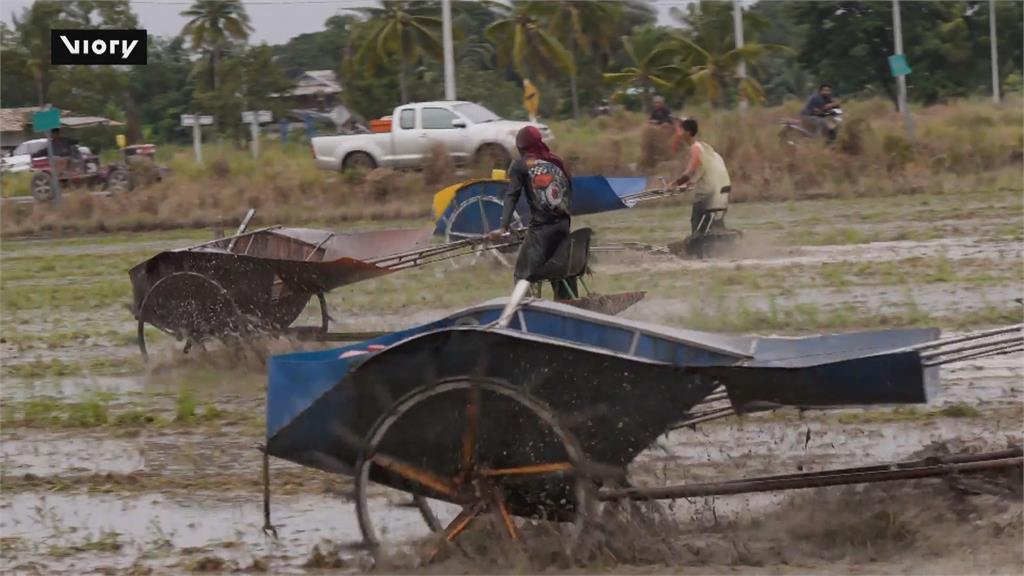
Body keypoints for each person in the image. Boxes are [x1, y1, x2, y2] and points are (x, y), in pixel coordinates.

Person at [488, 126, 573, 325]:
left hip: (541, 233)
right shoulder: (557, 161)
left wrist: (503, 226)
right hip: (564, 229)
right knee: (562, 275)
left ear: (521, 146)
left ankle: (529, 318)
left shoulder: (520, 165)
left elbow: (512, 195)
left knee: (522, 275)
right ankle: (569, 312)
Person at [672, 118, 732, 235]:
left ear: (688, 133)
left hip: (707, 195)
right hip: (721, 193)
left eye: (680, 130)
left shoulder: (695, 148)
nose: (678, 134)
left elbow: (691, 169)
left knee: (697, 224)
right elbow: (703, 170)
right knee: (714, 226)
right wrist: (688, 183)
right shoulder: (706, 148)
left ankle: (696, 248)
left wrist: (675, 184)